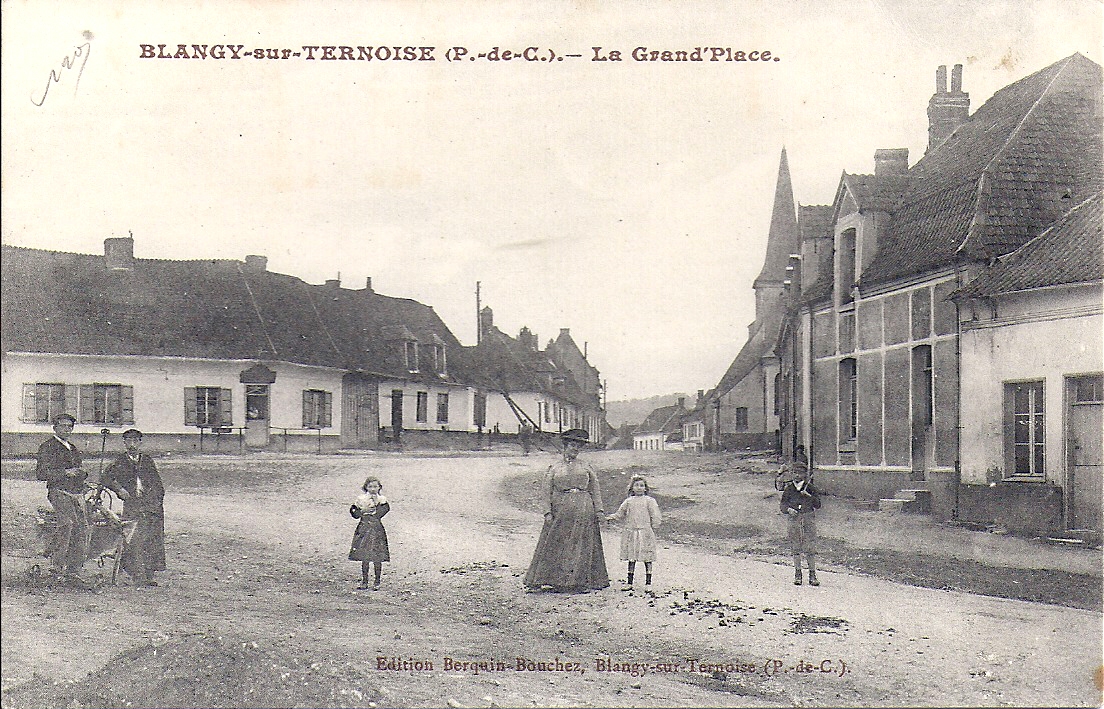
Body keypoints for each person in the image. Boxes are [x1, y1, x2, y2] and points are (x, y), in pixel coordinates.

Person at [523, 428, 610, 593]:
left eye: (578, 446)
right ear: (565, 446)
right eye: (572, 445)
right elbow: (546, 491)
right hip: (561, 509)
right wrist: (547, 512)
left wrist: (599, 511)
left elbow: (595, 489)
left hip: (584, 509)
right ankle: (554, 580)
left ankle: (578, 582)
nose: (575, 449)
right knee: (558, 543)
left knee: (581, 546)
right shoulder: (554, 468)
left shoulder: (586, 467)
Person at [100, 429, 166, 587]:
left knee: (152, 539)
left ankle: (149, 574)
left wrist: (154, 501)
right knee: (133, 538)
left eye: (135, 441)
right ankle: (137, 574)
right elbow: (106, 478)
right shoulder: (120, 461)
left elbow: (158, 484)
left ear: (140, 443)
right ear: (124, 443)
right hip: (132, 505)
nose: (132, 445)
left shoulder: (147, 461)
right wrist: (119, 489)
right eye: (129, 441)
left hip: (151, 506)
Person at [35, 413, 93, 586]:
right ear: (55, 427)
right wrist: (64, 473)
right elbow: (41, 474)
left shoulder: (73, 448)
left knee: (83, 528)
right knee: (67, 524)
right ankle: (56, 568)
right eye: (63, 426)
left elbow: (78, 470)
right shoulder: (47, 447)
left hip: (76, 494)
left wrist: (83, 479)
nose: (66, 429)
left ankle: (73, 571)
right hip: (58, 492)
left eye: (70, 426)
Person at [606, 475, 662, 592]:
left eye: (642, 485)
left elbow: (655, 515)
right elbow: (620, 514)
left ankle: (648, 583)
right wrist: (610, 518)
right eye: (636, 485)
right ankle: (629, 582)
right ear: (632, 488)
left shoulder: (649, 501)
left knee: (647, 557)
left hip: (645, 532)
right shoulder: (629, 502)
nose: (639, 488)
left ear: (646, 488)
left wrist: (654, 526)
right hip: (631, 532)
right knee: (632, 557)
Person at [780, 450, 821, 586]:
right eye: (795, 473)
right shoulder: (789, 489)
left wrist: (808, 495)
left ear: (805, 474)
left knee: (810, 547)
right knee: (796, 547)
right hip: (794, 519)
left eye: (800, 473)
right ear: (792, 474)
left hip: (808, 518)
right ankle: (798, 574)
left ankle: (812, 575)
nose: (797, 475)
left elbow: (818, 504)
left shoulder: (810, 488)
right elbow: (782, 505)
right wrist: (788, 510)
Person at [348, 476, 390, 590]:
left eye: (375, 486)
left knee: (377, 555)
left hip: (376, 528)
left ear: (379, 487)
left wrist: (376, 510)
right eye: (370, 486)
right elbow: (353, 511)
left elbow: (384, 510)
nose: (373, 489)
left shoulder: (382, 499)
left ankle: (377, 581)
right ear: (365, 487)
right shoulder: (361, 499)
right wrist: (362, 513)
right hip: (364, 527)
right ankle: (365, 581)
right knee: (364, 555)